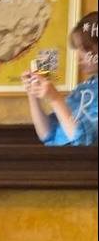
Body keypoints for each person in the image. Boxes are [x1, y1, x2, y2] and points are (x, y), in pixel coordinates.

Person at [22, 11, 98, 146]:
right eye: (77, 49)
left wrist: (55, 98)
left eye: (84, 48)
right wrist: (32, 94)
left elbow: (82, 141)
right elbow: (47, 134)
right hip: (57, 157)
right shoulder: (83, 89)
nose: (78, 57)